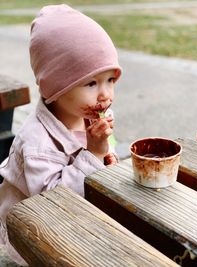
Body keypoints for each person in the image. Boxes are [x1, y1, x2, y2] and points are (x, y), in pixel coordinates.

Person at [0, 4, 121, 265]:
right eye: (91, 83)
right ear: (56, 87)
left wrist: (106, 155)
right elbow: (54, 203)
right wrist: (94, 153)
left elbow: (108, 154)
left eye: (110, 80)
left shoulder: (95, 116)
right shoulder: (36, 143)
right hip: (35, 236)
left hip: (81, 219)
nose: (106, 94)